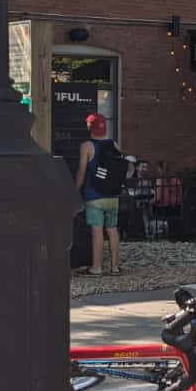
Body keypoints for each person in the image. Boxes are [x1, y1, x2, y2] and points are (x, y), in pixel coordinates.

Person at [74, 112, 122, 275]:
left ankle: (97, 267)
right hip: (113, 196)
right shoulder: (114, 144)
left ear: (90, 127)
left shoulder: (87, 146)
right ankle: (115, 267)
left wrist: (76, 189)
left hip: (94, 196)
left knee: (97, 231)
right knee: (113, 230)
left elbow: (82, 171)